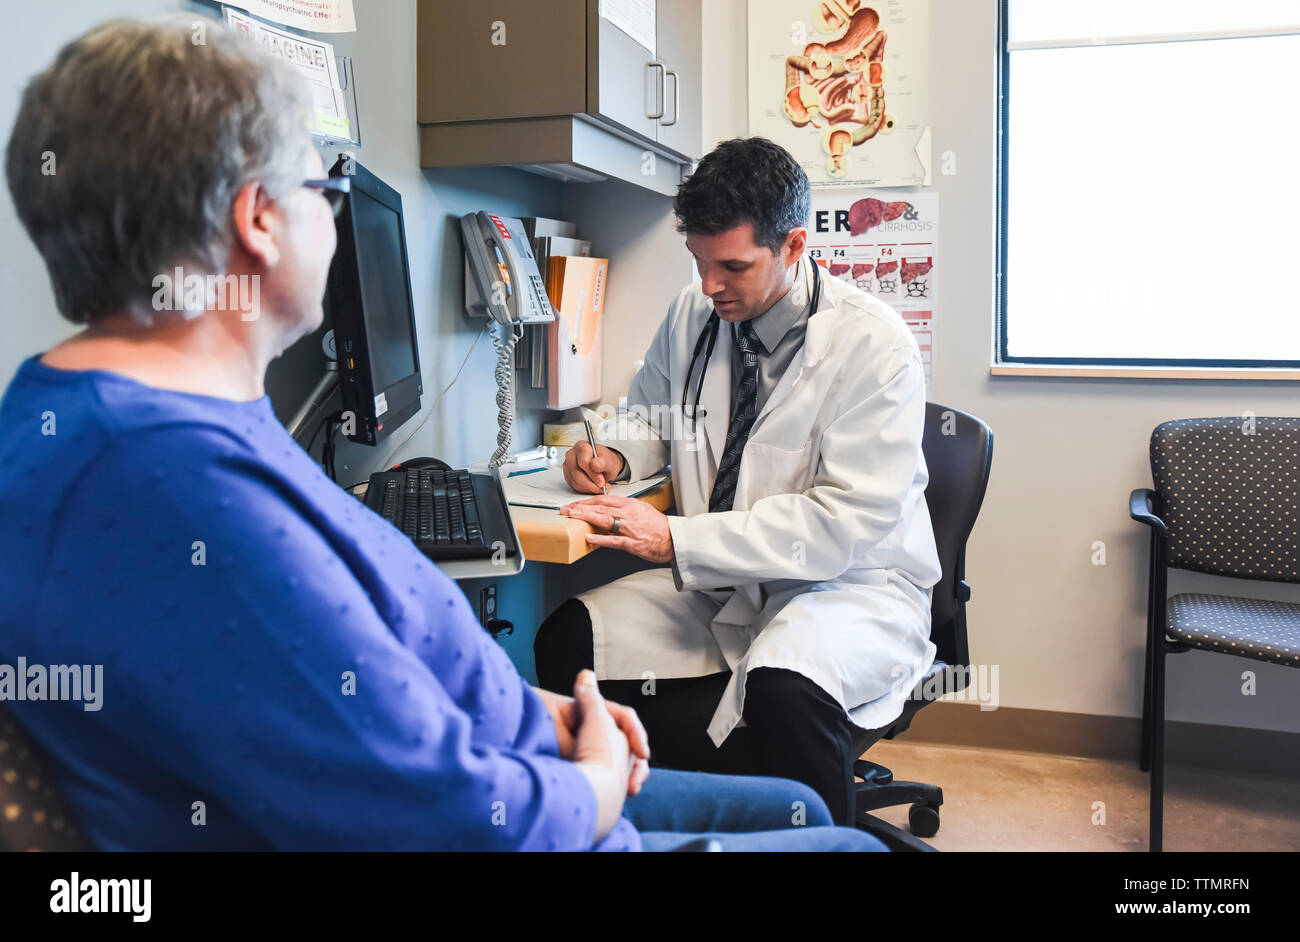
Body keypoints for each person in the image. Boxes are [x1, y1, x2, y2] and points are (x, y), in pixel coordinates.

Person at [0, 17, 885, 852]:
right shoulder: (179, 492)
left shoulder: (164, 423)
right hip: (534, 810)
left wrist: (540, 715)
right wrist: (596, 780)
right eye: (327, 188)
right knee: (838, 843)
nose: (335, 219)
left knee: (806, 806)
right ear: (258, 220)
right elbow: (455, 821)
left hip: (611, 703)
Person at [534, 138, 942, 827]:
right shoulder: (694, 314)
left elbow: (838, 526)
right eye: (699, 262)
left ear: (793, 247)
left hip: (847, 589)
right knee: (567, 639)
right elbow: (648, 414)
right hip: (721, 582)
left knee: (786, 688)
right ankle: (635, 830)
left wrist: (677, 540)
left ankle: (825, 845)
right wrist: (609, 452)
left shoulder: (875, 348)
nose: (711, 284)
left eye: (733, 266)